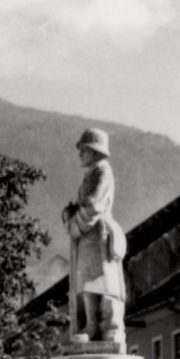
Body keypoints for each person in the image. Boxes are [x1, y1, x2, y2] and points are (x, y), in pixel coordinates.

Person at [63, 128, 127, 345]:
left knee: (95, 280)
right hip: (87, 235)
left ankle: (95, 325)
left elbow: (93, 204)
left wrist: (74, 224)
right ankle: (90, 323)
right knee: (85, 281)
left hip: (97, 234)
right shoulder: (91, 173)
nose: (80, 154)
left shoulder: (102, 171)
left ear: (95, 151)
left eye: (83, 150)